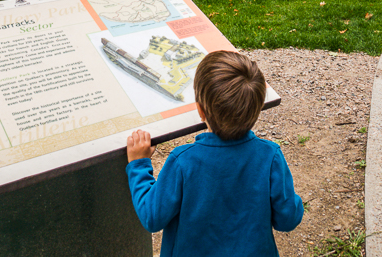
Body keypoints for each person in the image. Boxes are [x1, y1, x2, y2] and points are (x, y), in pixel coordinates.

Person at [126, 50, 304, 257]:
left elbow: (152, 217)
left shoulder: (183, 161)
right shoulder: (270, 156)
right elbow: (288, 219)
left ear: (200, 110)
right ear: (257, 109)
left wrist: (139, 164)